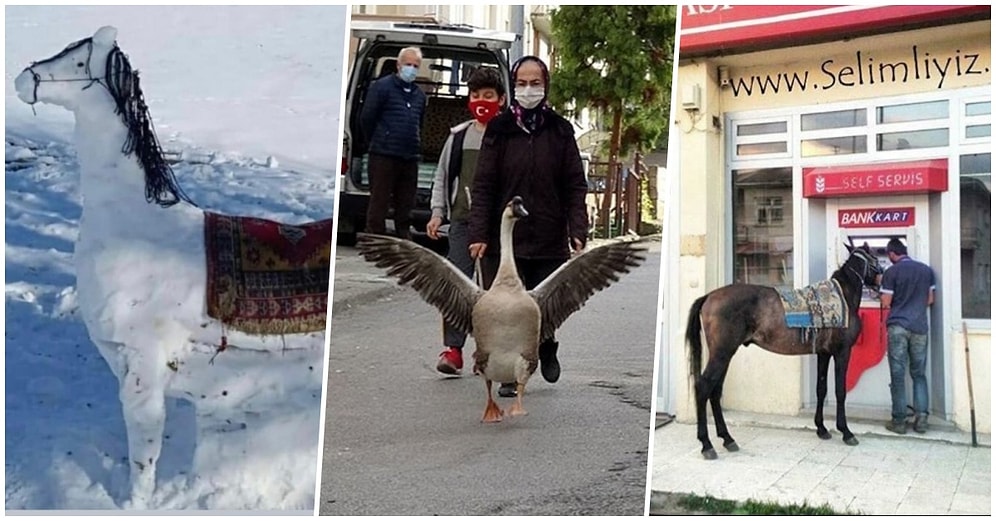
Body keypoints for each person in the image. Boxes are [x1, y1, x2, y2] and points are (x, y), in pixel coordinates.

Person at [467, 56, 589, 397]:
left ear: (545, 85)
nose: (528, 89)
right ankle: (509, 375)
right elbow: (484, 185)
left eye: (535, 83)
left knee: (543, 306)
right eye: (522, 82)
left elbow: (575, 185)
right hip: (505, 239)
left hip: (549, 235)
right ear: (512, 85)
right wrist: (478, 233)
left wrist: (577, 228)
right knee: (506, 312)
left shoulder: (560, 130)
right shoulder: (499, 129)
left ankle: (546, 346)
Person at [426, 67, 507, 375]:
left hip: (497, 228)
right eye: (476, 96)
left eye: (488, 96)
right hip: (461, 222)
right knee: (457, 285)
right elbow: (443, 176)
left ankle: (487, 352)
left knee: (493, 293)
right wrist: (437, 213)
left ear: (500, 99)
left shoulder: (507, 137)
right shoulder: (458, 137)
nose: (481, 101)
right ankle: (453, 350)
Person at [360, 47, 427, 240]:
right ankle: (374, 239)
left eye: (416, 66)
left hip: (409, 155)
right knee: (379, 201)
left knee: (406, 201)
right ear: (398, 65)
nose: (411, 69)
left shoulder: (419, 96)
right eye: (408, 64)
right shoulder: (381, 87)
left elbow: (419, 122)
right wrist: (378, 140)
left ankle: (403, 239)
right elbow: (367, 118)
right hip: (383, 154)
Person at [879, 237, 936, 434]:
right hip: (920, 327)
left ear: (891, 254)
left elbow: (886, 302)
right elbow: (930, 299)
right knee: (919, 374)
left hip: (898, 327)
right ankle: (921, 420)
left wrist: (882, 289)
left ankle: (899, 422)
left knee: (898, 375)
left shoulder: (891, 271)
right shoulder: (926, 270)